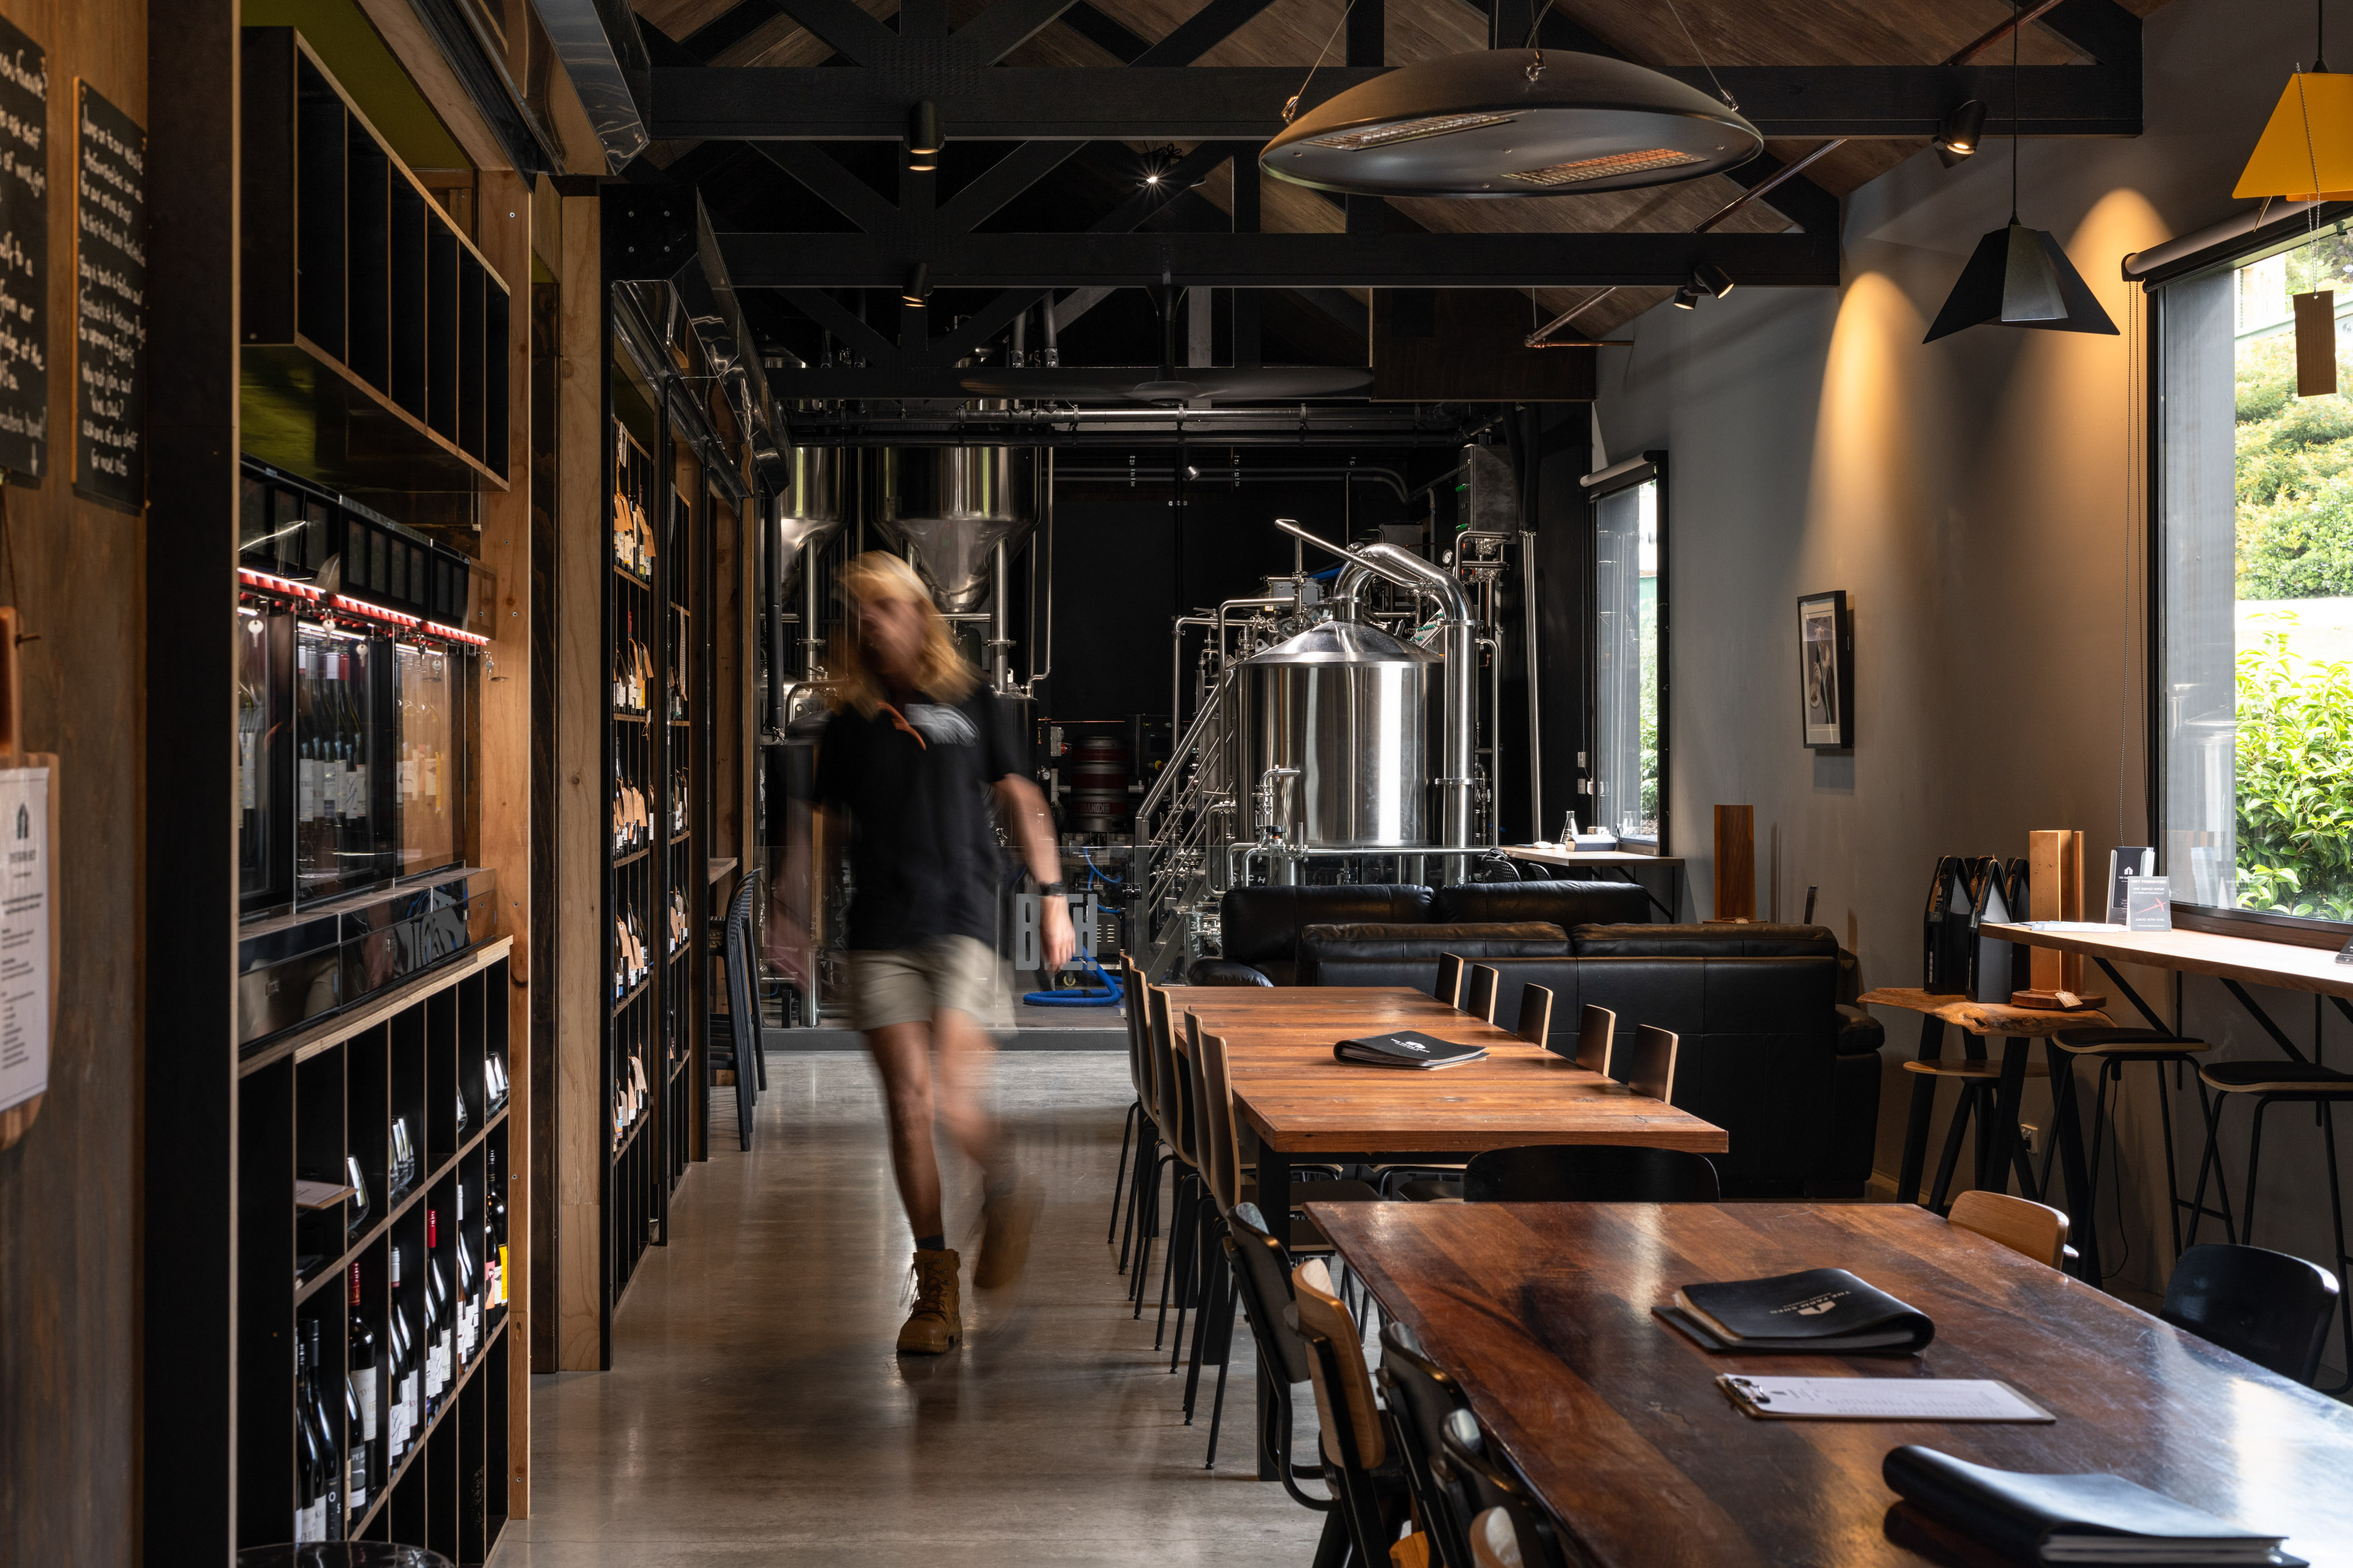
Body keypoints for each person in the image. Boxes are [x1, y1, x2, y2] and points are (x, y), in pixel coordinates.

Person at [777, 552, 1074, 1354]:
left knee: (949, 1099)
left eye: (882, 604)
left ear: (917, 611)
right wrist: (790, 914)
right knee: (907, 1107)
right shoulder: (846, 721)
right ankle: (935, 1287)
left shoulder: (970, 697)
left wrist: (1052, 895)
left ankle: (1004, 1185)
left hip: (962, 922)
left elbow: (1019, 795)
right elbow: (822, 829)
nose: (869, 619)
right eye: (858, 609)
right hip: (880, 929)